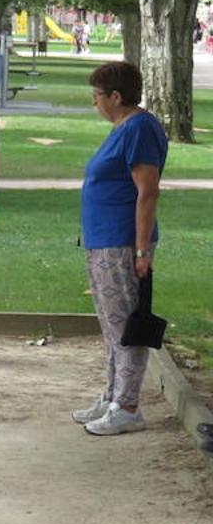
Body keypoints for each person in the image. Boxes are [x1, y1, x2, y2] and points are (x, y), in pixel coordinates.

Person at [71, 62, 167, 435]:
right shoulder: (122, 129)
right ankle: (112, 395)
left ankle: (127, 406)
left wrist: (142, 249)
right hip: (102, 239)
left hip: (122, 241)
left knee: (126, 325)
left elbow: (147, 191)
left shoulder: (140, 128)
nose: (94, 102)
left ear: (116, 96)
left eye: (97, 95)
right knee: (112, 326)